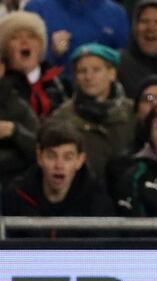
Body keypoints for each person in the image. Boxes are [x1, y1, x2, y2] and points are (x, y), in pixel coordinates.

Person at [3, 122, 115, 237]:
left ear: (80, 160)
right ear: (39, 157)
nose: (59, 165)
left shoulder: (97, 199)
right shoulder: (15, 196)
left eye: (68, 157)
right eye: (51, 156)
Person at [49, 43, 135, 179]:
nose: (88, 77)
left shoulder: (133, 112)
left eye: (96, 70)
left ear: (112, 73)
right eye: (82, 71)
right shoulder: (62, 117)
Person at [0, 11, 68, 118]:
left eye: (32, 36)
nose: (24, 41)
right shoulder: (3, 87)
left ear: (41, 46)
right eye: (15, 37)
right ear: (5, 50)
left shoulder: (59, 82)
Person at [0, 55, 39, 189]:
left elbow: (41, 149)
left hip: (12, 187)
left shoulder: (18, 105)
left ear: (2, 68)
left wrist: (15, 131)